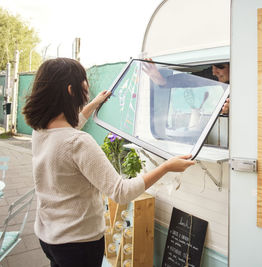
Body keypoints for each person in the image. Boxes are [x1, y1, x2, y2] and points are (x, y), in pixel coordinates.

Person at [22, 58, 195, 267]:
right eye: (84, 81)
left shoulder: (40, 131)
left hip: (49, 237)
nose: (86, 86)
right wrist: (166, 167)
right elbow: (121, 192)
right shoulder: (78, 143)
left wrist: (94, 103)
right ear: (71, 90)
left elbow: (69, 127)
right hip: (78, 243)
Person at [143, 59, 230, 114]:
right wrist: (162, 81)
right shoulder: (215, 76)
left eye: (220, 67)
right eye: (212, 67)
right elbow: (190, 80)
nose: (214, 72)